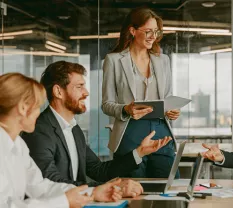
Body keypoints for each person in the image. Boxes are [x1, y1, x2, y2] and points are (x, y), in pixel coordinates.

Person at [22, 61, 170, 195]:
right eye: (79, 87)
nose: (86, 92)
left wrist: (139, 152)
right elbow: (52, 182)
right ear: (58, 91)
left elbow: (99, 170)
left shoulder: (73, 128)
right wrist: (108, 189)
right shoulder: (39, 130)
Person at [0, 73, 123, 208]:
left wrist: (91, 193)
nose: (38, 113)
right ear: (23, 108)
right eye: (37, 107)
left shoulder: (18, 144)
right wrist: (65, 201)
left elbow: (40, 187)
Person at [102, 7, 180, 178]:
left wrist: (172, 110)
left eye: (156, 32)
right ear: (132, 31)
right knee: (133, 191)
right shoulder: (114, 60)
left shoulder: (163, 61)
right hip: (129, 132)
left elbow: (167, 97)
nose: (153, 36)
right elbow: (106, 105)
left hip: (161, 132)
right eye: (148, 31)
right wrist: (126, 109)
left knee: (168, 188)